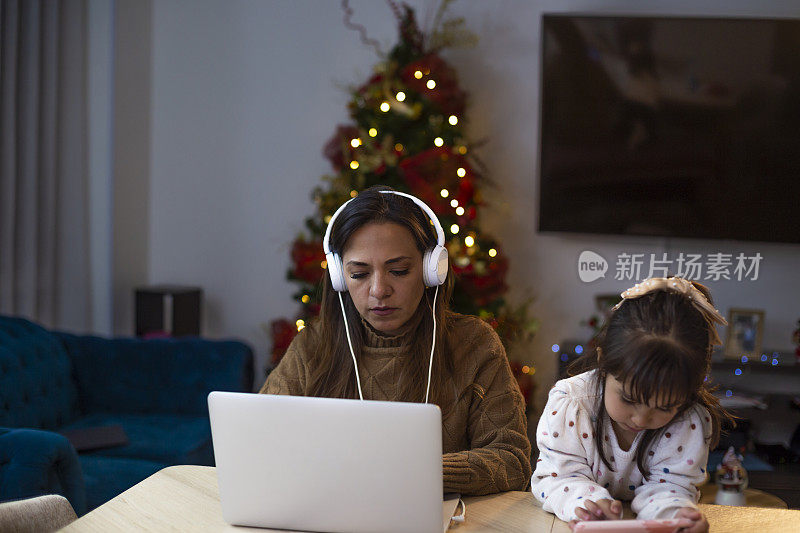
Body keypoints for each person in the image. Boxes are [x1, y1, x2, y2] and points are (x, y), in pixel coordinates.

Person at [260, 185, 532, 495]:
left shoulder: (474, 343)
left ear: (432, 269)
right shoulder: (312, 346)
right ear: (339, 276)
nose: (379, 290)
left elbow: (512, 461)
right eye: (359, 274)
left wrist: (411, 472)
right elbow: (263, 443)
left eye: (399, 270)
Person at [531, 277, 733, 532]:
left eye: (664, 407)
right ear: (604, 362)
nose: (640, 419)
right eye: (629, 399)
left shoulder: (687, 420)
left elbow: (671, 486)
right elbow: (558, 477)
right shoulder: (572, 404)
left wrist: (676, 515)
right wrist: (589, 505)